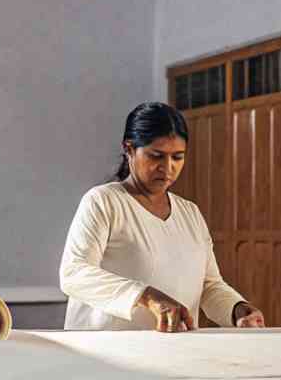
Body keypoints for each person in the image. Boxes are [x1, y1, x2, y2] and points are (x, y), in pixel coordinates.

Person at [59, 102, 266, 332]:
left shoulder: (190, 214)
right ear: (129, 149)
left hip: (172, 352)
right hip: (105, 354)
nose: (167, 168)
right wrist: (145, 295)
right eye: (156, 156)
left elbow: (209, 285)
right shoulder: (103, 202)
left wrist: (237, 308)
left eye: (177, 157)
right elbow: (74, 274)